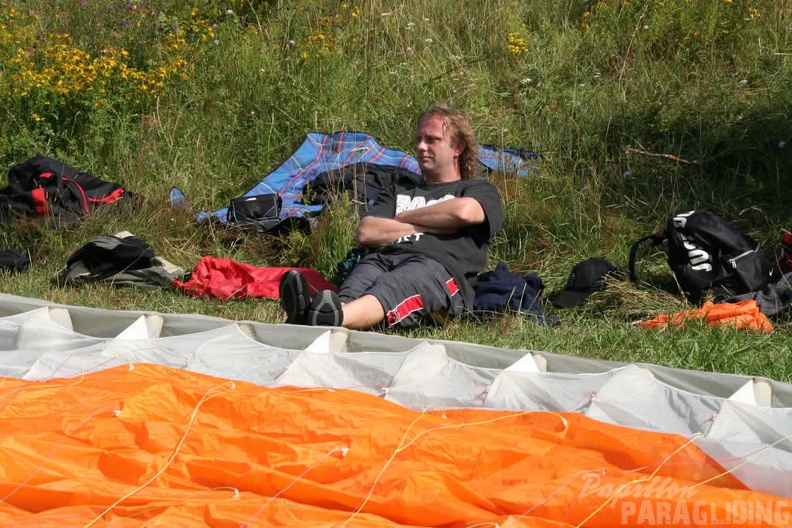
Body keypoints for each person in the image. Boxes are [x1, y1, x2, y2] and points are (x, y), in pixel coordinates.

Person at [280, 104, 504, 330]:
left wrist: (402, 217)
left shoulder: (477, 189)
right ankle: (326, 316)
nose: (420, 146)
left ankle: (318, 318)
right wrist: (432, 225)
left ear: (457, 147)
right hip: (383, 258)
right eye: (419, 139)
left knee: (394, 285)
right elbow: (367, 232)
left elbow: (463, 212)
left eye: (431, 140)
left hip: (436, 268)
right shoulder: (400, 189)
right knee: (357, 283)